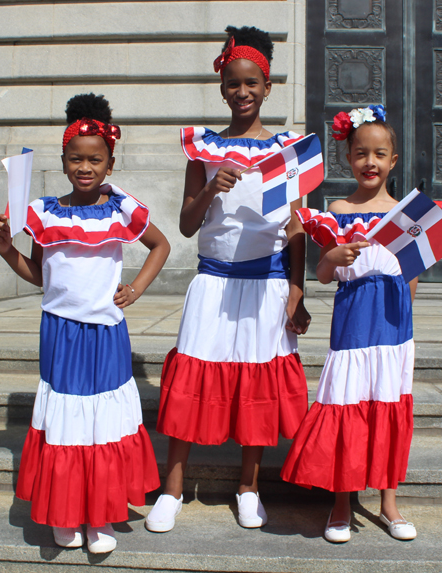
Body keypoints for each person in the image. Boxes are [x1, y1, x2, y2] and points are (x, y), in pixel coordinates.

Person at [145, 25, 310, 533]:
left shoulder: (289, 149)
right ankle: (172, 488)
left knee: (257, 383)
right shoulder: (203, 147)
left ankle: (248, 486)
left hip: (267, 284)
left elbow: (297, 226)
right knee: (193, 377)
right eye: (233, 84)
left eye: (252, 83)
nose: (242, 92)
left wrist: (298, 294)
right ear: (222, 87)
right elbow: (187, 225)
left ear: (267, 87)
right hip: (213, 283)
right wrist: (210, 190)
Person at [0, 93, 170, 553]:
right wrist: (8, 251)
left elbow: (161, 245)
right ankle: (67, 512)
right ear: (64, 160)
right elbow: (38, 276)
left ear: (110, 163)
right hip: (61, 333)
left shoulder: (120, 208)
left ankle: (101, 515)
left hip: (107, 332)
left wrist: (137, 288)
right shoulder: (44, 212)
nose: (84, 167)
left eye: (95, 159)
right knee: (69, 423)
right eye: (76, 159)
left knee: (103, 423)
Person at [281, 105, 418, 543]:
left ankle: (389, 503)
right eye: (361, 153)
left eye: (379, 154)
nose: (370, 162)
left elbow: (412, 277)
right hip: (353, 324)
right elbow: (323, 274)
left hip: (393, 329)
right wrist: (333, 259)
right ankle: (341, 502)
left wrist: (405, 328)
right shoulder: (338, 210)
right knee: (346, 406)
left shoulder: (405, 214)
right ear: (348, 158)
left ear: (392, 161)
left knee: (386, 407)